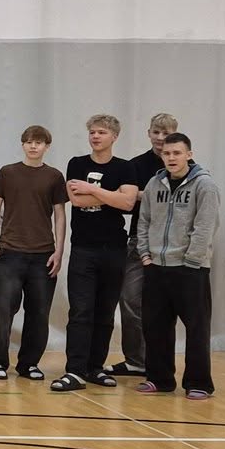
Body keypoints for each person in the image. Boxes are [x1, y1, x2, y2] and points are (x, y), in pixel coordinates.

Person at [52, 115, 140, 391]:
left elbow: (128, 203)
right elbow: (76, 200)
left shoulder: (125, 167)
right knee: (81, 311)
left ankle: (94, 368)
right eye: (92, 132)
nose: (95, 136)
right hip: (84, 249)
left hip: (115, 249)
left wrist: (91, 188)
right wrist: (112, 195)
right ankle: (75, 370)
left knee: (105, 312)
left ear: (114, 136)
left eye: (101, 132)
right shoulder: (77, 163)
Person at [134, 132, 220, 397]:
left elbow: (205, 226)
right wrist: (145, 254)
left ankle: (198, 383)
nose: (171, 158)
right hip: (156, 267)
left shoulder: (204, 185)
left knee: (196, 328)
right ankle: (159, 379)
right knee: (155, 326)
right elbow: (144, 221)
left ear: (189, 155)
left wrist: (191, 260)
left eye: (177, 153)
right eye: (167, 153)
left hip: (190, 269)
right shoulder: (154, 183)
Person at [0, 126, 67, 382]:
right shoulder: (8, 173)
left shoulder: (54, 176)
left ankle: (29, 364)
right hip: (10, 252)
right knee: (2, 310)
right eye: (29, 142)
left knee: (39, 314)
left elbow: (60, 215)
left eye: (38, 142)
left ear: (47, 146)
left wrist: (59, 250)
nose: (33, 146)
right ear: (22, 144)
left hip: (43, 255)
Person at [111, 112, 175, 376]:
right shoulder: (135, 165)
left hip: (173, 244)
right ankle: (136, 360)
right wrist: (149, 195)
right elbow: (124, 201)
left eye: (166, 133)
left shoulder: (184, 165)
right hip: (140, 238)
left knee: (166, 304)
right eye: (156, 132)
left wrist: (142, 194)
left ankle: (161, 362)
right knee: (129, 298)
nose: (160, 138)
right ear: (148, 133)